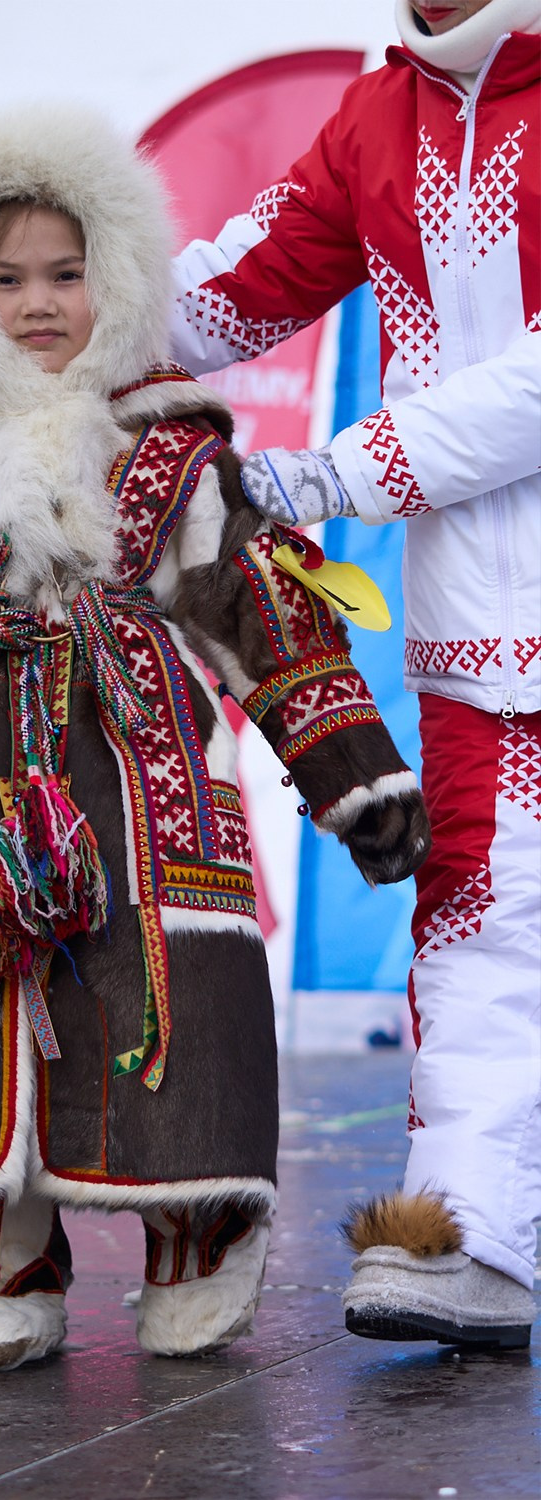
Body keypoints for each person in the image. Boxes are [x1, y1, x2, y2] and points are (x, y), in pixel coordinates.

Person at [0, 104, 429, 1372]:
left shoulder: (172, 444)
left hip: (142, 775)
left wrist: (352, 774)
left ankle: (194, 1234)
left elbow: (265, 612)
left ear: (115, 278)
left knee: (155, 996)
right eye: (4, 278)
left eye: (66, 273)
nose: (36, 302)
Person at [169, 0, 540, 1348]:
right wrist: (28, 320)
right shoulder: (381, 116)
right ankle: (471, 1239)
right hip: (475, 638)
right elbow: (227, 289)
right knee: (476, 938)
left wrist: (339, 471)